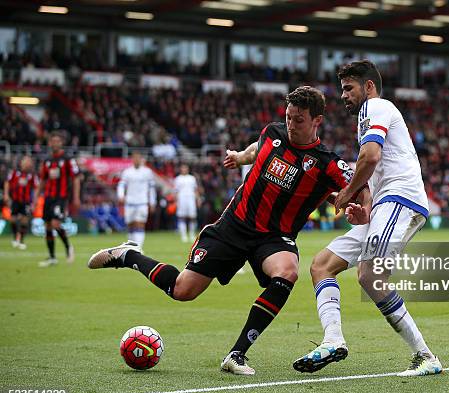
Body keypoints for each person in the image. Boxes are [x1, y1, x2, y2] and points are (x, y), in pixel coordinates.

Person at [87, 86, 360, 375]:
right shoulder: (274, 133)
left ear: (317, 120)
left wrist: (357, 207)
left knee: (287, 271)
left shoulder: (326, 162)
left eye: (299, 120)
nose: (291, 125)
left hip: (274, 237)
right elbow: (258, 149)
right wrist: (241, 156)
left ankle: (236, 354)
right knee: (182, 290)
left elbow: (353, 187)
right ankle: (129, 256)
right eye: (289, 117)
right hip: (234, 226)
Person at [294, 60, 442, 377]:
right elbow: (378, 167)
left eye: (349, 88)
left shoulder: (374, 107)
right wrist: (366, 210)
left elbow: (371, 157)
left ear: (369, 86)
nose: (343, 95)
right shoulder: (370, 116)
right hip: (385, 204)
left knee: (369, 275)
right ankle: (333, 339)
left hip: (401, 198)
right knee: (322, 266)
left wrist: (347, 193)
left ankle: (425, 356)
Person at [35, 132, 80, 267]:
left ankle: (68, 247)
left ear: (61, 143)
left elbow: (76, 178)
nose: (54, 143)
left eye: (57, 141)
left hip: (61, 197)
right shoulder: (47, 160)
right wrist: (36, 196)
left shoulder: (67, 159)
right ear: (49, 143)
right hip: (48, 196)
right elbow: (43, 180)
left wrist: (76, 197)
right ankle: (52, 257)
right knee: (47, 225)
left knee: (55, 223)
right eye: (52, 141)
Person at [117, 152, 156, 249]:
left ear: (141, 159)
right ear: (132, 159)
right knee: (130, 225)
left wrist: (152, 202)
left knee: (140, 224)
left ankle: (138, 248)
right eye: (135, 158)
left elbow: (151, 188)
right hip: (129, 202)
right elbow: (121, 185)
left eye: (138, 158)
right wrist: (121, 196)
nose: (137, 160)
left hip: (142, 202)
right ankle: (131, 247)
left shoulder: (147, 172)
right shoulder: (127, 172)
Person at [4, 156, 37, 250]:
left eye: (29, 162)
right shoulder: (15, 172)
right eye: (26, 161)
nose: (27, 163)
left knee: (24, 221)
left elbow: (35, 188)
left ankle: (21, 241)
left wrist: (34, 202)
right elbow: (7, 182)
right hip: (15, 200)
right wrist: (6, 195)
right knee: (13, 220)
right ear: (21, 162)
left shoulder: (32, 175)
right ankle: (15, 238)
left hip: (26, 201)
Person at [174, 164, 200, 242]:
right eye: (183, 168)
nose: (184, 170)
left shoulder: (192, 178)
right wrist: (176, 201)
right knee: (182, 217)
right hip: (181, 199)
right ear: (180, 169)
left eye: (185, 168)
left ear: (188, 169)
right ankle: (184, 235)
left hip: (191, 199)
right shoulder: (178, 179)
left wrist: (198, 199)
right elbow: (176, 191)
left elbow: (195, 190)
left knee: (192, 217)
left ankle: (192, 234)